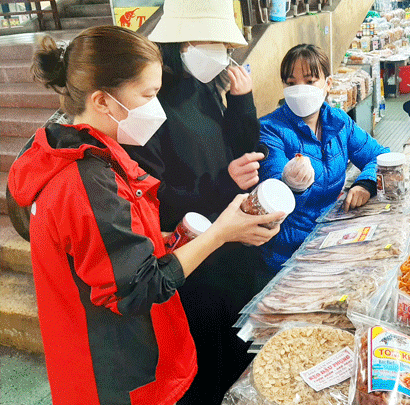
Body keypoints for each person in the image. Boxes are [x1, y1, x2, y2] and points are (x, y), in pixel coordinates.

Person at [7, 26, 284, 405]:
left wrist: (183, 237)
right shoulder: (84, 179)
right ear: (103, 101)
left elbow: (123, 248)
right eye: (148, 95)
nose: (156, 108)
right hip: (117, 372)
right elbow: (137, 287)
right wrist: (219, 234)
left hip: (139, 355)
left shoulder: (105, 157)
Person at [127, 0, 273, 403]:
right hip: (194, 260)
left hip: (232, 248)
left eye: (225, 45)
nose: (221, 55)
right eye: (209, 42)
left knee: (240, 356)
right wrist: (225, 182)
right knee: (206, 367)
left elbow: (244, 152)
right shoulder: (151, 102)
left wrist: (244, 103)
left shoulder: (207, 86)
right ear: (179, 42)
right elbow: (158, 200)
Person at [256, 44, 389, 278]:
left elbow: (380, 155)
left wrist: (366, 183)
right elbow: (272, 199)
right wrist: (293, 185)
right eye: (291, 82)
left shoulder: (338, 122)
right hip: (288, 254)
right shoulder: (270, 130)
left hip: (330, 237)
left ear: (327, 84)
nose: (300, 89)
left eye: (309, 81)